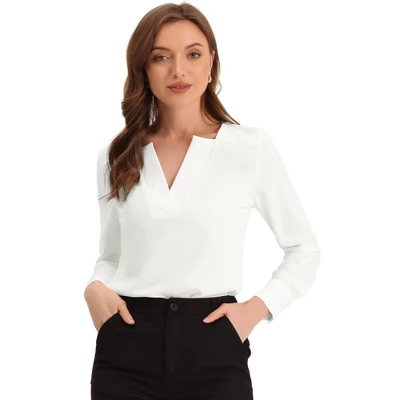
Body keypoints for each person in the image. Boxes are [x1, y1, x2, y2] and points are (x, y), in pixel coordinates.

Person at [84, 2, 321, 399]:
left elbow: (304, 250)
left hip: (215, 346)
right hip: (126, 349)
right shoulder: (117, 155)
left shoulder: (249, 148)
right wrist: (94, 287)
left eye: (192, 54)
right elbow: (112, 256)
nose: (178, 70)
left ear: (211, 61)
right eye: (161, 57)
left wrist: (254, 311)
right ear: (143, 67)